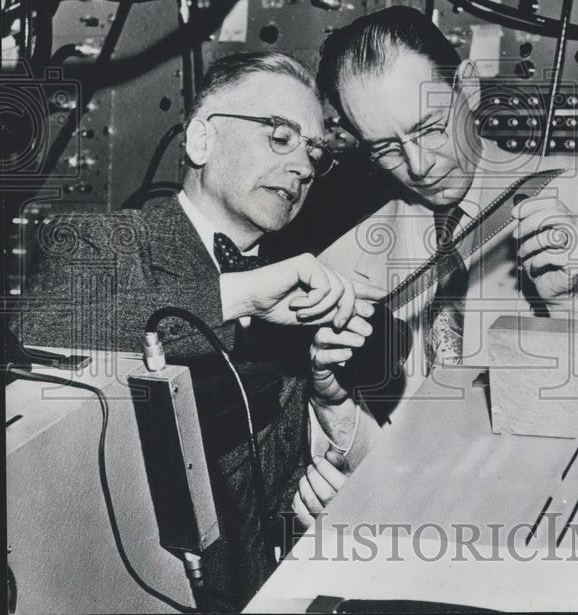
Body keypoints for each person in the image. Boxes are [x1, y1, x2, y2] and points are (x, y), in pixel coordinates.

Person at [17, 52, 376, 610]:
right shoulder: (103, 240)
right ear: (201, 142)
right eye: (281, 136)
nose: (304, 166)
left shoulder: (298, 294)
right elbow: (42, 328)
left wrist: (329, 400)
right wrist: (240, 296)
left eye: (314, 152)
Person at [293, 6, 578, 527]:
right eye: (386, 148)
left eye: (431, 128)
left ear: (469, 88)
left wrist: (563, 305)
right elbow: (357, 473)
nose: (418, 165)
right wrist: (335, 408)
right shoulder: (343, 266)